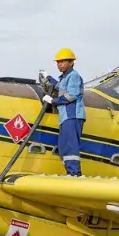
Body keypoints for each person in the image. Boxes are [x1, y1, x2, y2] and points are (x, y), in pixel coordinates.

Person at [40, 48, 85, 177]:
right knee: (63, 147)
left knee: (70, 146)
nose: (59, 64)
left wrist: (52, 101)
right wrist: (48, 78)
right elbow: (58, 86)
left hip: (73, 115)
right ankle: (70, 172)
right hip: (65, 116)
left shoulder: (74, 76)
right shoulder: (65, 78)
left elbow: (71, 96)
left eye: (63, 61)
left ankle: (74, 173)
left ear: (71, 62)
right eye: (58, 62)